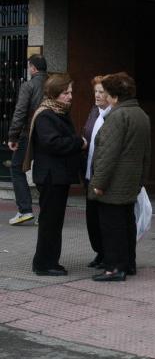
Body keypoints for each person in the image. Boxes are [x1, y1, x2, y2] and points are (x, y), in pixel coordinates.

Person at [89, 72, 151, 282]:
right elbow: (146, 154)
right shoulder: (140, 114)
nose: (103, 96)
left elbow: (108, 153)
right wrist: (141, 180)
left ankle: (114, 268)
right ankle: (128, 264)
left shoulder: (117, 116)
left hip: (114, 183)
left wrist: (98, 183)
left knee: (112, 226)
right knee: (127, 223)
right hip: (131, 182)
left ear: (114, 95)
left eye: (105, 92)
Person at [26, 73, 87, 276]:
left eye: (70, 92)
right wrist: (79, 143)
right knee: (50, 222)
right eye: (65, 92)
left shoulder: (58, 112)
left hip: (58, 176)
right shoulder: (45, 115)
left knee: (54, 221)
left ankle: (50, 260)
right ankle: (44, 264)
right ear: (54, 93)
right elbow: (52, 143)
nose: (70, 96)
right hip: (51, 177)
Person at [6, 54, 47, 225]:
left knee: (16, 168)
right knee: (44, 171)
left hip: (28, 135)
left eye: (29, 66)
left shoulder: (28, 86)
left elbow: (20, 112)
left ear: (33, 68)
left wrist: (13, 136)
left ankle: (25, 210)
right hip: (48, 134)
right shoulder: (53, 84)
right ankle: (46, 213)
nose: (29, 69)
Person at [82, 76, 111, 269]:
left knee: (105, 220)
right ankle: (99, 253)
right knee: (92, 220)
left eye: (102, 92)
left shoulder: (114, 114)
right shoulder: (94, 112)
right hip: (88, 175)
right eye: (96, 92)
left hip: (103, 177)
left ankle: (107, 254)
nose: (98, 95)